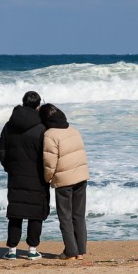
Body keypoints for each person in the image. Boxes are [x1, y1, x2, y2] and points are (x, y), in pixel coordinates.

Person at [0, 91, 50, 260]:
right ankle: (32, 250)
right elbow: (47, 153)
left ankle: (12, 250)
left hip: (16, 174)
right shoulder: (42, 127)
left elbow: (2, 149)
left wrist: (9, 167)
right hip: (37, 176)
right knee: (35, 213)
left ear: (23, 102)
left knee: (16, 212)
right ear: (38, 105)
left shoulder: (9, 125)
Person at [40, 103, 89, 260]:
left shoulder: (50, 135)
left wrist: (47, 179)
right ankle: (80, 251)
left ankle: (70, 251)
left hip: (64, 181)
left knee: (65, 217)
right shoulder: (73, 130)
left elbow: (49, 163)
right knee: (79, 216)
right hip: (81, 177)